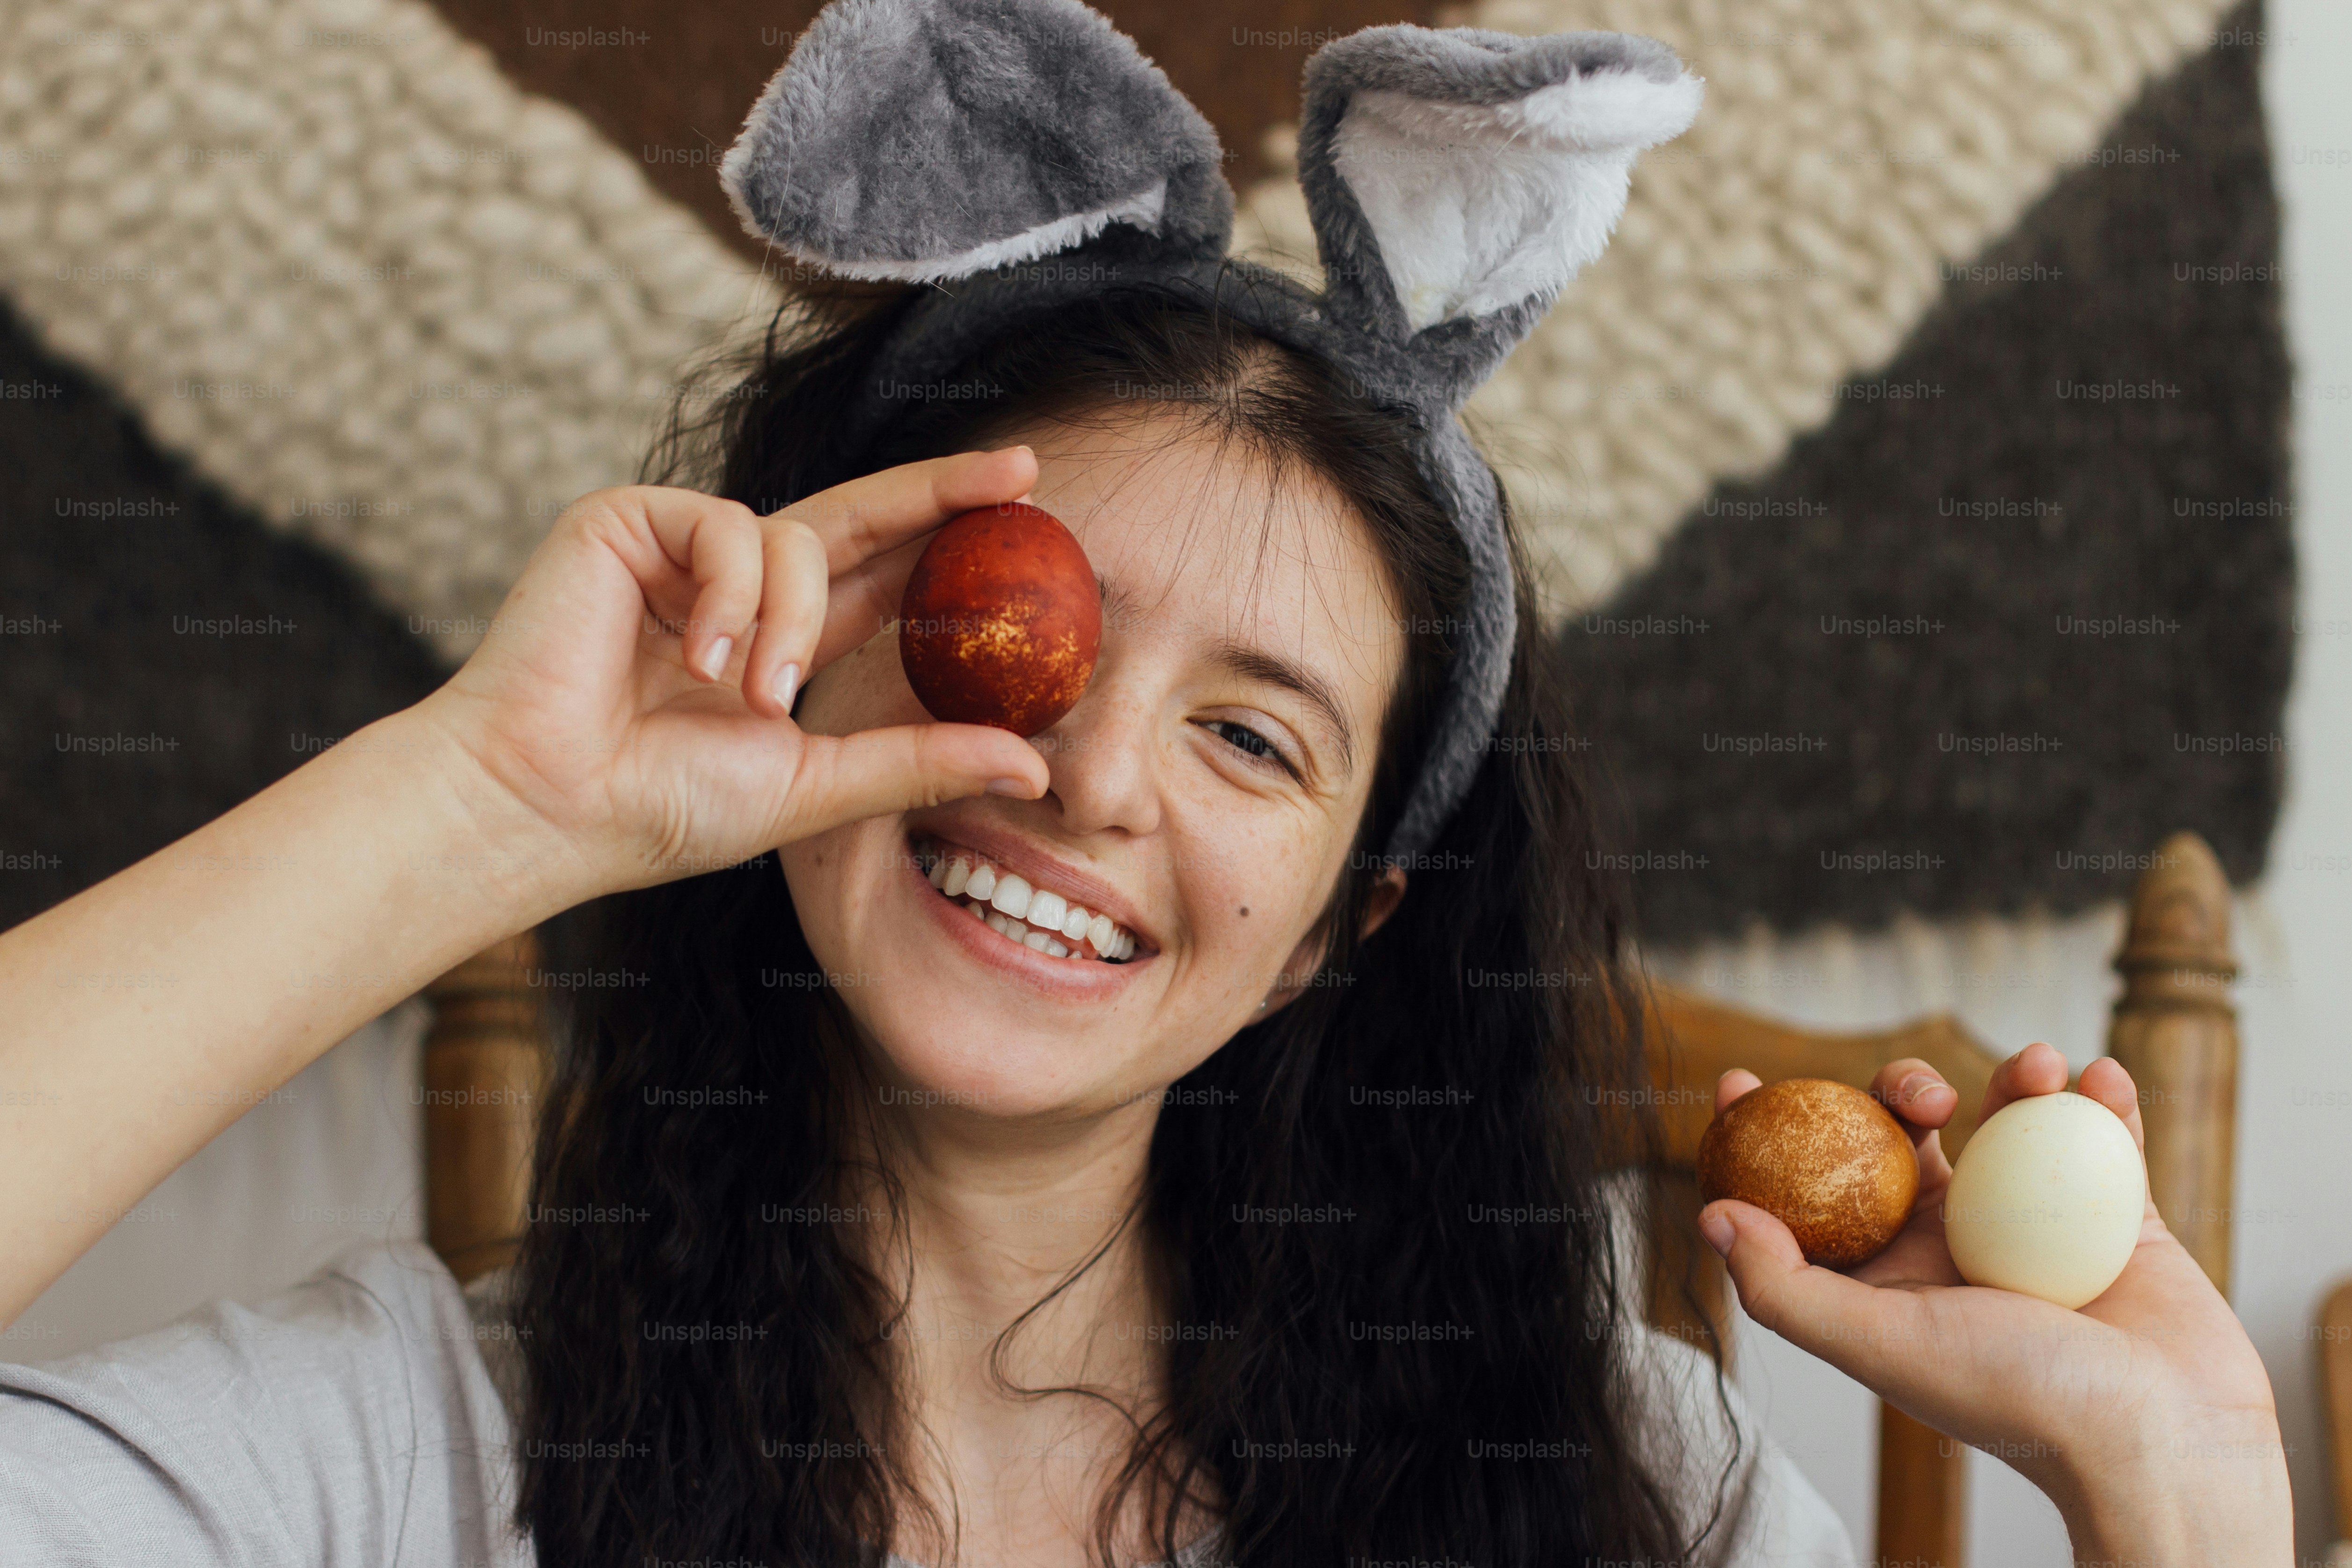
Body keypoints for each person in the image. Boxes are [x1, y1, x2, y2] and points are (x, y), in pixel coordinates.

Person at [0, 279, 2293, 1568]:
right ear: (817, 653)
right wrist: (475, 800)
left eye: (1258, 741)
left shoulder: (1607, 1485)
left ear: (1339, 925)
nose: (1095, 780)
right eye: (1041, 630)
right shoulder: (409, 1452)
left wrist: (2175, 1493)